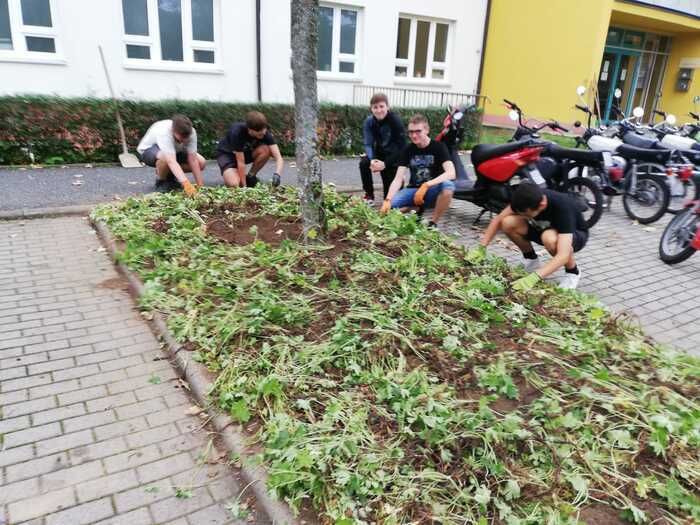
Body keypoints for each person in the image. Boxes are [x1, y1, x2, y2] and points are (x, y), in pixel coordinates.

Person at [467, 184, 588, 290]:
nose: (524, 216)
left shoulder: (562, 207)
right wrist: (482, 247)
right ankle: (531, 260)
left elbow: (563, 254)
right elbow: (498, 220)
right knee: (507, 222)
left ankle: (573, 272)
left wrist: (535, 277)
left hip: (575, 235)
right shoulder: (526, 198)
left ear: (542, 205)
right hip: (544, 229)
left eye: (526, 214)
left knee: (550, 238)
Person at [380, 114, 455, 227]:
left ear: (427, 130)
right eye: (411, 132)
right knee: (386, 210)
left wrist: (426, 185)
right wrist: (387, 199)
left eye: (418, 131)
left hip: (432, 190)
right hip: (413, 190)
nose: (414, 135)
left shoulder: (439, 147)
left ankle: (433, 223)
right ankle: (413, 207)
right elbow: (398, 179)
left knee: (448, 186)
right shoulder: (407, 149)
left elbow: (451, 173)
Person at [136, 115, 205, 196]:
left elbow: (193, 160)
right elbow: (171, 161)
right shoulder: (164, 132)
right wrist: (187, 185)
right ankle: (161, 181)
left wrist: (200, 186)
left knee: (201, 162)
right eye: (181, 138)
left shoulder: (191, 132)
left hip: (174, 152)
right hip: (149, 151)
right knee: (165, 158)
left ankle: (169, 175)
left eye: (186, 138)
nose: (183, 141)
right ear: (173, 130)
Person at [359, 93, 407, 204]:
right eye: (375, 107)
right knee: (364, 163)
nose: (379, 110)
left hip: (393, 157)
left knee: (389, 199)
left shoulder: (395, 121)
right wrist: (372, 160)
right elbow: (368, 143)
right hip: (379, 154)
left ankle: (399, 179)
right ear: (371, 109)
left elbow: (403, 148)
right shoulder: (369, 122)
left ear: (387, 107)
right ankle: (369, 195)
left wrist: (385, 164)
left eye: (381, 106)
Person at [215, 111, 284, 188]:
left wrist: (277, 174)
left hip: (244, 153)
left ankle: (250, 176)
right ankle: (236, 175)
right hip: (227, 155)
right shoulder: (237, 132)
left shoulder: (264, 132)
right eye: (259, 133)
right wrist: (244, 187)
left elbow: (278, 157)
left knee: (266, 150)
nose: (263, 133)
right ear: (250, 130)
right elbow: (241, 162)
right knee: (234, 184)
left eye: (264, 130)